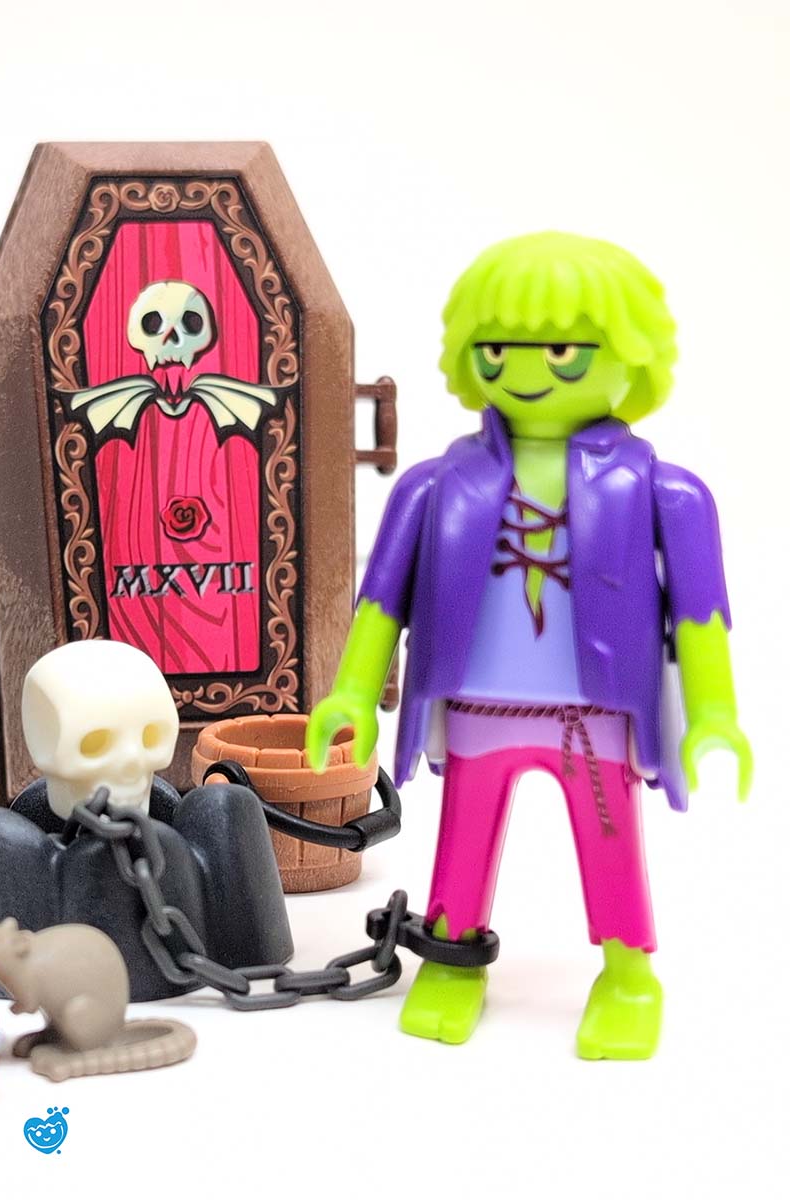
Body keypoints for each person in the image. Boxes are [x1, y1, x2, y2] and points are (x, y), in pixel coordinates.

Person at [306, 232, 752, 1059]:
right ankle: (453, 962)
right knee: (462, 842)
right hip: (479, 706)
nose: (525, 369)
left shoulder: (665, 491)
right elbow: (381, 601)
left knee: (611, 845)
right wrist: (352, 695)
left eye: (562, 350)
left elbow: (701, 616)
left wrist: (715, 712)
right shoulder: (435, 485)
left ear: (633, 357)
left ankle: (628, 974)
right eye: (498, 347)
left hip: (595, 715)